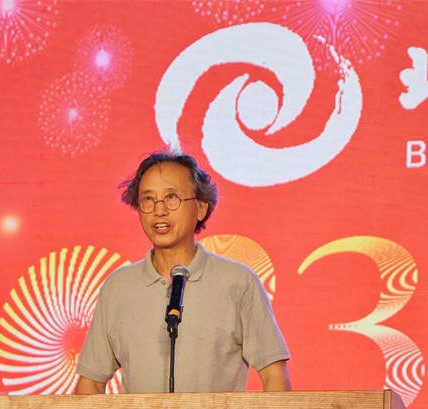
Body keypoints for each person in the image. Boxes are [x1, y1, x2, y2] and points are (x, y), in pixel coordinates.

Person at [75, 150, 291, 394]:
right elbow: (91, 383)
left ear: (201, 208)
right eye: (148, 199)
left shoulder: (238, 282)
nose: (159, 211)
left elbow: (274, 374)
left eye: (172, 197)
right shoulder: (117, 288)